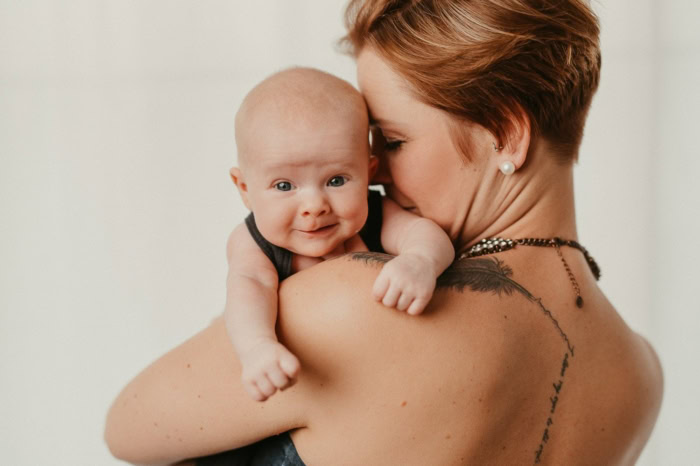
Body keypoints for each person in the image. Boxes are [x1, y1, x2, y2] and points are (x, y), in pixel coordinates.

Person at [105, 1, 663, 465]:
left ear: (505, 134)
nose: (376, 175)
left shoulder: (356, 302)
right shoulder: (639, 374)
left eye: (391, 142)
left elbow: (126, 428)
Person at [225, 67, 454, 402]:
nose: (314, 206)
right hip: (296, 392)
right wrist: (257, 347)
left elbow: (423, 234)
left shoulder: (375, 214)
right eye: (284, 185)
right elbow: (249, 289)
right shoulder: (253, 242)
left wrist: (421, 261)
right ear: (245, 189)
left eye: (336, 180)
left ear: (368, 173)